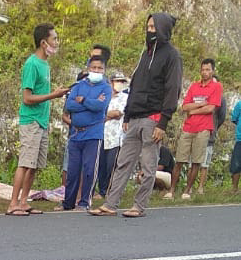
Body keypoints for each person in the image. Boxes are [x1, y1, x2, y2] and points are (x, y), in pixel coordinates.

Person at [89, 12, 182, 218]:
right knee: (123, 163)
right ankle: (110, 204)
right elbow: (135, 85)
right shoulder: (145, 54)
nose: (149, 31)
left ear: (162, 29)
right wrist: (128, 115)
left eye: (152, 28)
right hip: (135, 116)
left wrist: (163, 123)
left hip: (154, 118)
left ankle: (139, 206)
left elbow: (173, 89)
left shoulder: (171, 55)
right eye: (148, 27)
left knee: (148, 166)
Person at [6, 23, 69, 216]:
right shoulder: (32, 64)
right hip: (31, 120)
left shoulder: (45, 64)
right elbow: (27, 98)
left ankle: (24, 202)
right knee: (25, 163)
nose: (56, 43)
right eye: (54, 39)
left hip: (42, 121)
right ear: (43, 42)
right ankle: (13, 204)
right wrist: (53, 95)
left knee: (34, 165)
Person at [56, 55, 111, 211]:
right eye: (93, 67)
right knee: (72, 170)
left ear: (104, 70)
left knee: (89, 169)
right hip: (75, 134)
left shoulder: (106, 88)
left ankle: (85, 202)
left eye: (100, 68)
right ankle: (68, 202)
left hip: (93, 134)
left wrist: (84, 100)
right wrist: (88, 103)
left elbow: (100, 107)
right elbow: (70, 105)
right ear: (88, 68)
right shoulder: (79, 85)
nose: (96, 70)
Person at [165, 59, 223, 200]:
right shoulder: (194, 86)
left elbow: (211, 108)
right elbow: (184, 107)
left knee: (196, 161)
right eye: (203, 69)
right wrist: (201, 105)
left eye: (208, 70)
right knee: (180, 159)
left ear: (213, 71)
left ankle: (187, 190)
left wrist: (194, 110)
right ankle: (171, 191)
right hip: (188, 127)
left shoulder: (217, 87)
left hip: (204, 128)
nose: (205, 72)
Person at [95, 72, 128, 199]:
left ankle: (110, 191)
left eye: (122, 82)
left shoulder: (124, 98)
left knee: (112, 165)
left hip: (116, 137)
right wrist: (105, 116)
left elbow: (117, 113)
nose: (120, 84)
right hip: (102, 135)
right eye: (117, 81)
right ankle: (101, 190)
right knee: (101, 165)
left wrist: (104, 115)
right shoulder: (103, 96)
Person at [196, 77, 226, 194]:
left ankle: (200, 188)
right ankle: (188, 188)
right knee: (191, 162)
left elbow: (222, 117)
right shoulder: (199, 96)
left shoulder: (221, 99)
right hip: (195, 131)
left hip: (209, 135)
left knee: (204, 163)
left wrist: (214, 128)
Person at [230, 100, 241, 194]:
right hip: (240, 139)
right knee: (236, 165)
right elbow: (234, 119)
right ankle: (235, 189)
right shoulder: (239, 104)